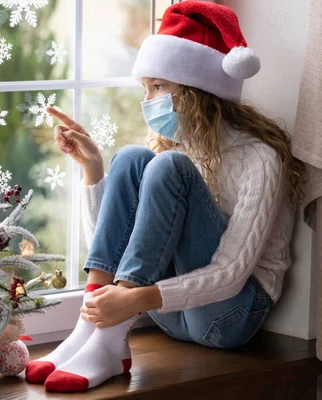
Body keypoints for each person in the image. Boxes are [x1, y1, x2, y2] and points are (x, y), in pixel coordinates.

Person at [24, 1, 307, 393]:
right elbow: (118, 253)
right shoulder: (172, 148)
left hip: (230, 316)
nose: (148, 100)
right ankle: (96, 334)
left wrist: (138, 298)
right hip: (172, 314)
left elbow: (231, 274)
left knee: (167, 166)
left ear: (198, 90)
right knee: (131, 158)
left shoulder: (259, 159)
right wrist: (93, 171)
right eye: (145, 89)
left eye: (159, 86)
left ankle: (106, 340)